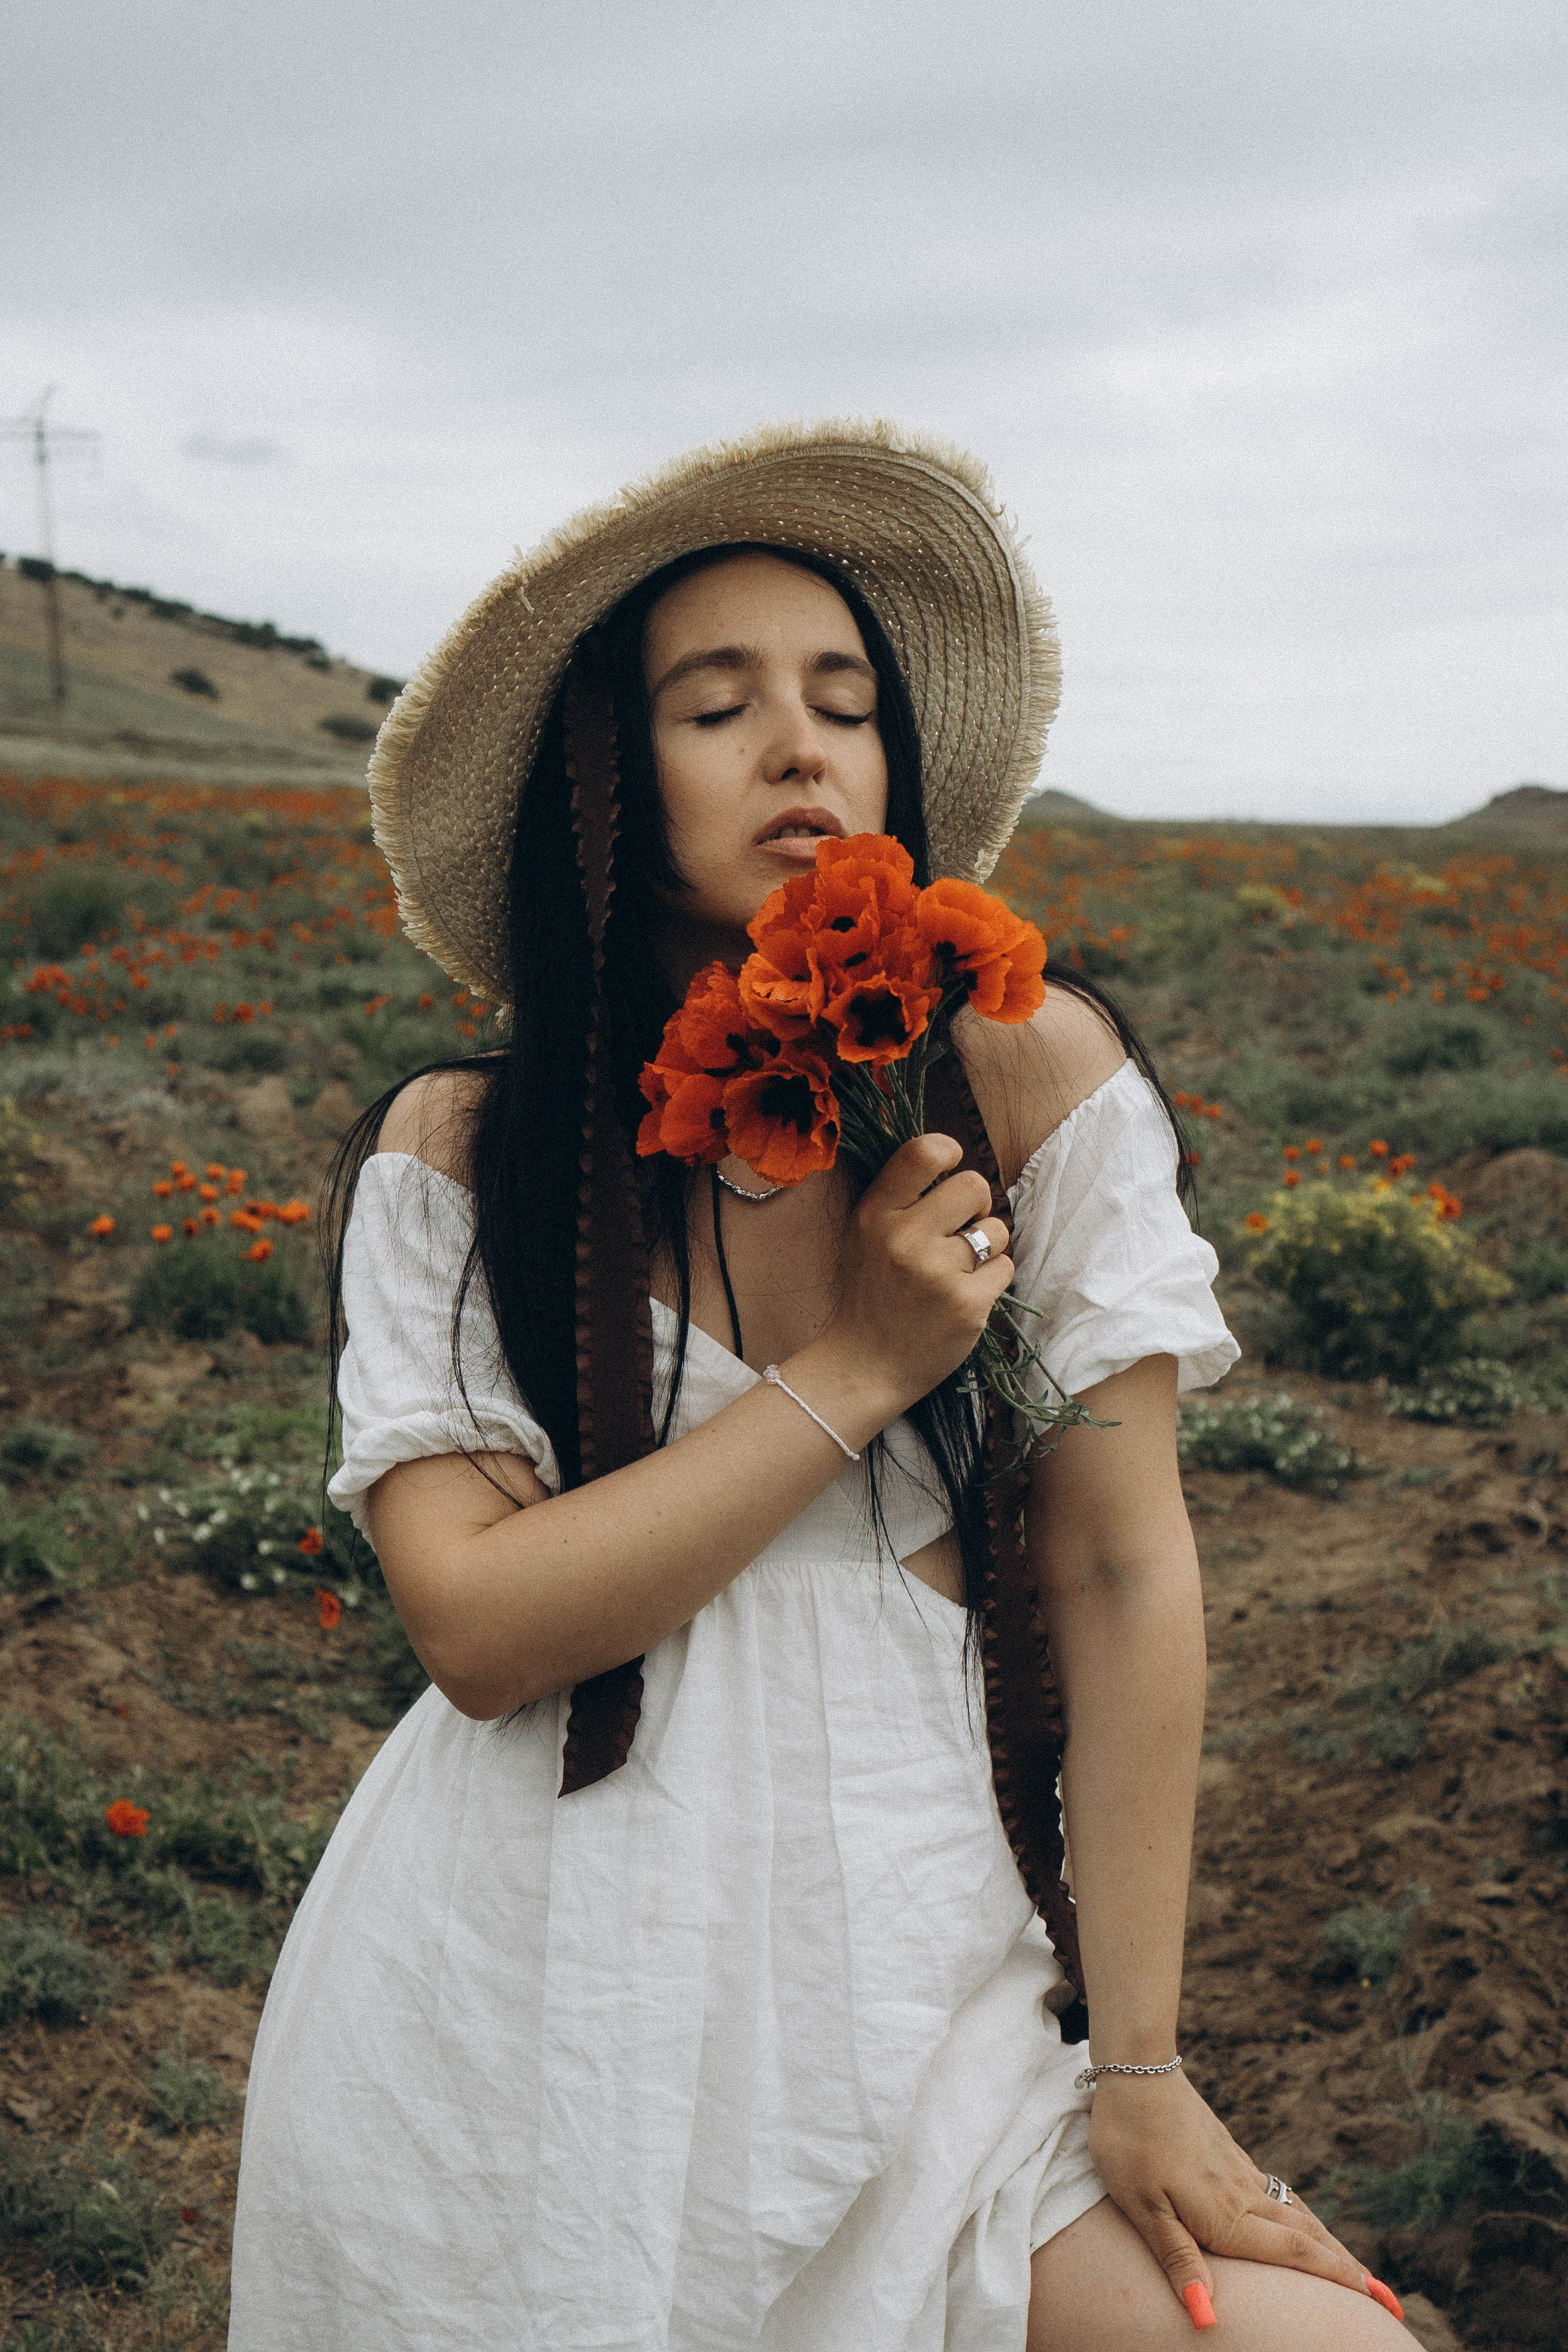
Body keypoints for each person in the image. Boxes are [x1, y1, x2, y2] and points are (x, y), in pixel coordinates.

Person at [228, 423, 1417, 2350]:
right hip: (534, 1993)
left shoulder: (1025, 1078)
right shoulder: (465, 1149)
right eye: (721, 705)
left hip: (917, 1956)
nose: (803, 745)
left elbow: (1122, 1574)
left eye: (844, 702)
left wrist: (1139, 2061)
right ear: (604, 789)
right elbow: (477, 1626)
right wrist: (863, 1365)